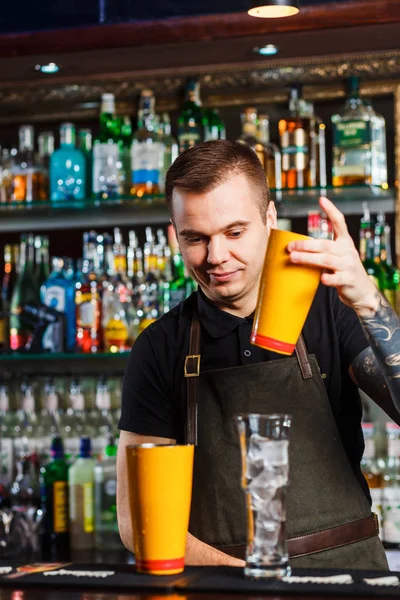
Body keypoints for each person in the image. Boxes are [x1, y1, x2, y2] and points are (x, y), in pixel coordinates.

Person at [117, 140, 400, 570]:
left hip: (349, 579)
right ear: (174, 234)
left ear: (269, 219)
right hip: (223, 589)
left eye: (234, 232)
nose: (216, 257)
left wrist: (367, 302)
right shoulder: (159, 347)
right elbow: (138, 522)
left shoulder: (330, 307)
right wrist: (250, 580)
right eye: (196, 238)